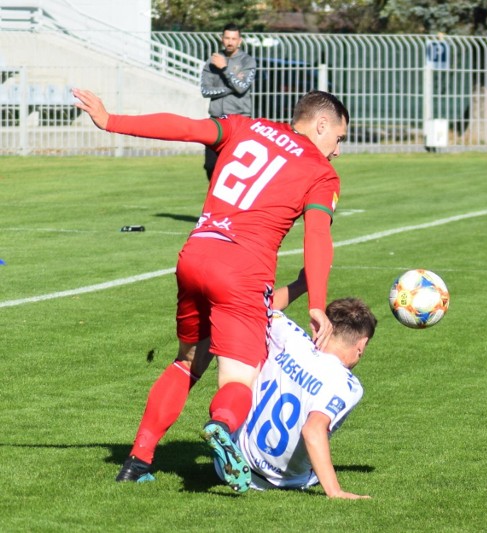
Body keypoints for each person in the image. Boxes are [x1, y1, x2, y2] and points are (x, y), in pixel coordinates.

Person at [72, 87, 349, 493]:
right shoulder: (321, 172)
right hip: (242, 270)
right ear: (321, 124)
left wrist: (111, 120)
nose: (338, 150)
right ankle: (220, 426)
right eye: (339, 138)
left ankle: (138, 460)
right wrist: (319, 304)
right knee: (240, 377)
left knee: (188, 359)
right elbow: (318, 239)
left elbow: (184, 128)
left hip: (195, 255)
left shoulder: (245, 126)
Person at [234, 297, 377, 499]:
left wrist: (301, 284)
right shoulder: (347, 385)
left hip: (239, 455)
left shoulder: (291, 337)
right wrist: (335, 492)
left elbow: (260, 303)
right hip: (282, 482)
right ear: (361, 345)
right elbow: (312, 430)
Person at [200, 22, 256, 181]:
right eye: (227, 38)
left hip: (239, 120)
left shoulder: (247, 61)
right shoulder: (213, 61)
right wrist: (231, 87)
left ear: (240, 40)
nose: (230, 42)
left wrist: (225, 69)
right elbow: (205, 91)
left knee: (235, 165)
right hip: (216, 119)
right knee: (211, 165)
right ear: (221, 39)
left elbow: (243, 86)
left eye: (234, 38)